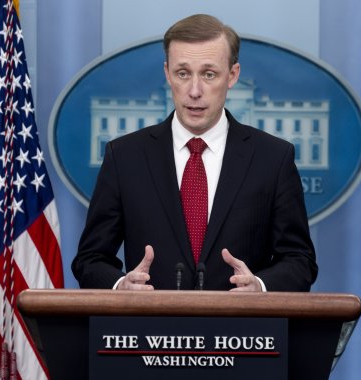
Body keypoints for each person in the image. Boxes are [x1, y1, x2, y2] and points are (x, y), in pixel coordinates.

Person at [72, 14, 317, 292]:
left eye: (209, 74)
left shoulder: (273, 158)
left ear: (232, 75)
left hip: (241, 331)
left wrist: (259, 287)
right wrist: (121, 286)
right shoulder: (125, 156)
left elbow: (300, 261)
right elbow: (89, 259)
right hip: (148, 329)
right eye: (183, 73)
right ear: (167, 74)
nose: (195, 91)